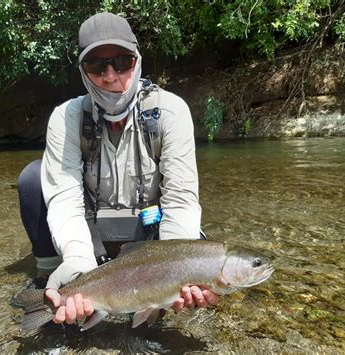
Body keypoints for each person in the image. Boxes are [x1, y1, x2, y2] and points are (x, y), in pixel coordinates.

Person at [17, 12, 219, 325]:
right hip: (90, 241)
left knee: (202, 256)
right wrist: (77, 261)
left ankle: (149, 302)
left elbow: (181, 200)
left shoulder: (170, 112)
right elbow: (65, 202)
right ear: (84, 72)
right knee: (33, 178)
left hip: (150, 247)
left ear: (137, 61)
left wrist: (177, 273)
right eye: (97, 66)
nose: (111, 76)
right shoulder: (67, 118)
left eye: (121, 62)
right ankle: (49, 281)